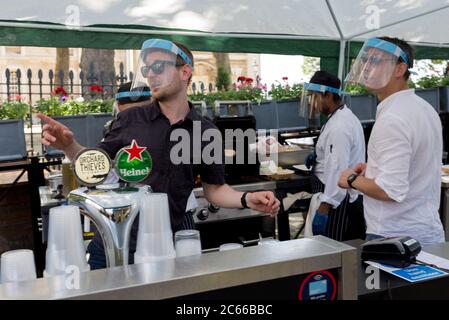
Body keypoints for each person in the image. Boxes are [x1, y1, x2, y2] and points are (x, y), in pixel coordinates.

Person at [38, 39, 280, 269]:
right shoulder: (130, 118)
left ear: (185, 72)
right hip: (116, 240)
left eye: (158, 66)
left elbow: (214, 190)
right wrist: (69, 146)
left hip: (170, 242)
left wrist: (247, 199)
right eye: (146, 69)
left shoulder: (206, 131)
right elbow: (96, 167)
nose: (150, 74)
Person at [338, 37, 444, 245]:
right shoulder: (424, 108)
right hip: (426, 232)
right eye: (366, 60)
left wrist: (350, 179)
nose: (366, 68)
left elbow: (390, 190)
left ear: (399, 69)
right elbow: (416, 164)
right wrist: (377, 167)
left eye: (376, 61)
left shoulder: (392, 118)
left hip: (394, 239)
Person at [301, 71, 366, 241]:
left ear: (328, 96)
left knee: (333, 256)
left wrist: (324, 208)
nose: (311, 103)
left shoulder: (339, 126)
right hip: (337, 199)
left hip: (337, 204)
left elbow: (337, 170)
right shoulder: (340, 116)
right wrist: (317, 156)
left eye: (314, 97)